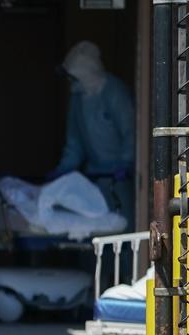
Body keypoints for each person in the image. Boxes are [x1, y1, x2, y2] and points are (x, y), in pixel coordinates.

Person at [47, 40, 135, 231]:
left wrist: (126, 163)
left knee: (123, 227)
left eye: (74, 77)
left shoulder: (115, 93)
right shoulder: (78, 98)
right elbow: (75, 141)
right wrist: (64, 168)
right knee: (95, 229)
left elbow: (131, 132)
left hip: (120, 178)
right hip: (95, 176)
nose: (71, 82)